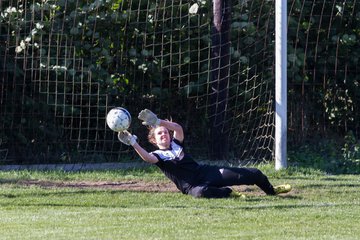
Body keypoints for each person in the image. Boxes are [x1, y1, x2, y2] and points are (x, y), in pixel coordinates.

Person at [118, 109, 291, 199]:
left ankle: (271, 191)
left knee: (254, 173)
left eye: (165, 132)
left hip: (207, 172)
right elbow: (147, 158)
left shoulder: (177, 143)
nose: (164, 134)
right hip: (191, 186)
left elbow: (177, 128)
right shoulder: (158, 155)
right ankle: (229, 193)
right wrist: (134, 143)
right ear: (154, 140)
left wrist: (157, 121)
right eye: (159, 133)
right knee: (202, 193)